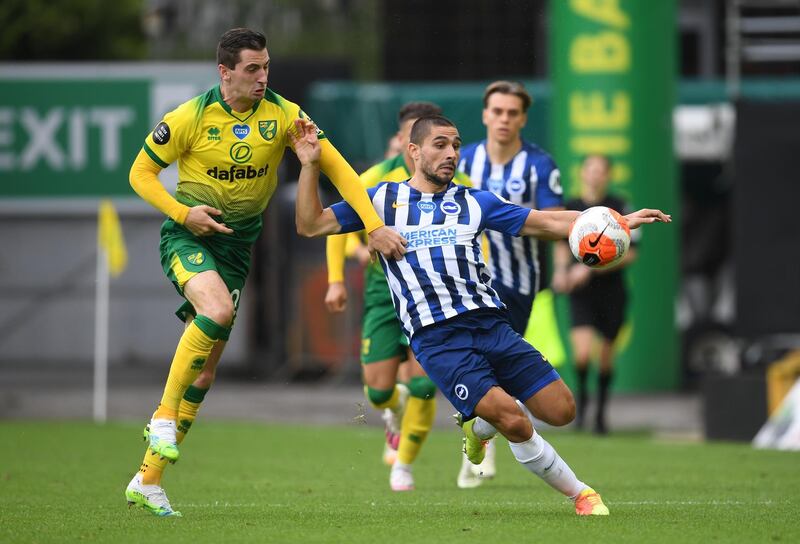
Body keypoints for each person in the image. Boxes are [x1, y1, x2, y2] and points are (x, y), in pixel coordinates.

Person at [290, 114, 670, 515]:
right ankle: (581, 495)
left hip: (491, 325)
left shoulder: (474, 201)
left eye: (455, 145)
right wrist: (310, 166)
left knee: (562, 411)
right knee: (515, 420)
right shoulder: (380, 201)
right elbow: (310, 224)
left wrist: (615, 221)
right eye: (440, 144)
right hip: (438, 339)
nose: (451, 153)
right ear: (413, 151)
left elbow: (544, 222)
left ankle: (478, 424)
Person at [123, 27, 406, 518]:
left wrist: (374, 225)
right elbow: (139, 173)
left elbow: (341, 172)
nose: (261, 77)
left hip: (236, 247)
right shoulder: (189, 116)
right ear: (225, 72)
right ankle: (163, 418)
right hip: (190, 234)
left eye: (266, 67)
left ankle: (148, 481)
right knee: (214, 309)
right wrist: (180, 212)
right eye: (252, 69)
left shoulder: (286, 115)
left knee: (206, 369)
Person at [324, 102, 472, 491]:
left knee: (423, 385)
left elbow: (479, 233)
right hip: (383, 291)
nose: (439, 152)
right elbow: (337, 225)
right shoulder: (376, 180)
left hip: (433, 294)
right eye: (416, 139)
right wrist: (336, 279)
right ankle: (392, 411)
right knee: (378, 391)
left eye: (446, 144)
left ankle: (403, 464)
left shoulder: (461, 186)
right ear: (406, 144)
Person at [456, 80, 564, 487]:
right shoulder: (463, 162)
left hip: (518, 282)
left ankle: (481, 432)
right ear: (485, 114)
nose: (503, 119)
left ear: (523, 118)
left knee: (494, 371)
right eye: (497, 111)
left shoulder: (539, 165)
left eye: (511, 113)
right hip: (467, 280)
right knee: (473, 362)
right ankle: (479, 448)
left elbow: (554, 224)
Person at [552, 154, 637, 435]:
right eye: (591, 170)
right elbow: (561, 245)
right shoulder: (573, 207)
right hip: (582, 295)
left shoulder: (620, 207)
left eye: (601, 171)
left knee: (605, 357)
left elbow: (631, 254)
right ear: (582, 173)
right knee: (582, 355)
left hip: (612, 291)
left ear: (608, 176)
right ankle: (583, 408)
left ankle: (601, 414)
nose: (595, 175)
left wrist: (590, 269)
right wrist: (562, 271)